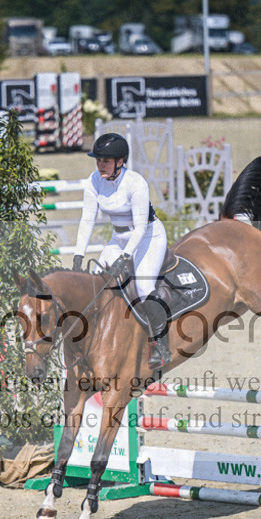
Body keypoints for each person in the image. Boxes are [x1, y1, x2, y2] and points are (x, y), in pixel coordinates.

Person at [72, 132, 171, 369]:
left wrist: (125, 257)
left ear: (120, 161)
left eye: (106, 160)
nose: (100, 165)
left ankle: (161, 344)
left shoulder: (135, 183)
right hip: (118, 237)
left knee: (145, 287)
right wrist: (78, 255)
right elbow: (87, 221)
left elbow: (138, 228)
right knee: (98, 284)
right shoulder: (93, 181)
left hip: (148, 235)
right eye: (98, 160)